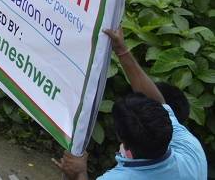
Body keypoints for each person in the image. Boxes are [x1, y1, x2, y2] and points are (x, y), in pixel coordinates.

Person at [55, 28, 207, 180]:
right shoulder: (190, 150)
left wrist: (79, 174)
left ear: (122, 138)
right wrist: (121, 50)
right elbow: (158, 101)